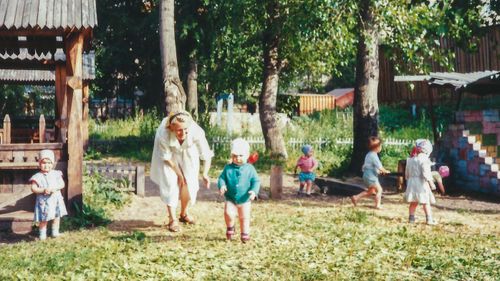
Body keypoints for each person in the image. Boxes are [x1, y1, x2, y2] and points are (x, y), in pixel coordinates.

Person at [150, 110, 213, 232]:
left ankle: (183, 213)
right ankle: (172, 219)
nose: (183, 133)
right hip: (169, 156)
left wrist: (205, 173)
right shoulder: (163, 133)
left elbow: (206, 154)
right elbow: (166, 157)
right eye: (179, 130)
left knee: (188, 182)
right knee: (170, 182)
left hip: (188, 152)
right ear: (172, 128)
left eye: (185, 130)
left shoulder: (196, 132)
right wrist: (179, 174)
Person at [218, 138, 260, 243]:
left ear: (246, 155)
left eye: (241, 156)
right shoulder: (228, 168)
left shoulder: (250, 168)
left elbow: (256, 181)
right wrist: (222, 185)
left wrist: (254, 191)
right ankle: (230, 227)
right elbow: (221, 178)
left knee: (244, 217)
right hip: (230, 197)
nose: (238, 158)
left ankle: (244, 233)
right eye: (235, 156)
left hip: (245, 198)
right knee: (228, 213)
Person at [30, 149, 67, 240]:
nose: (46, 165)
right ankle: (42, 234)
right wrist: (43, 190)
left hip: (56, 200)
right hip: (44, 202)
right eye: (44, 163)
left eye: (49, 163)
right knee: (44, 218)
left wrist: (56, 188)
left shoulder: (56, 174)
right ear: (39, 164)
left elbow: (62, 184)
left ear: (53, 163)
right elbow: (33, 188)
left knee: (56, 216)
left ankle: (55, 232)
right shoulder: (37, 176)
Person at [351, 137, 390, 209]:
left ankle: (356, 197)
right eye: (380, 146)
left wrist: (379, 171)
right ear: (377, 147)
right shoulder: (374, 155)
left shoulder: (368, 154)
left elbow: (370, 166)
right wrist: (384, 171)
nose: (381, 147)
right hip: (371, 176)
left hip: (366, 175)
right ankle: (378, 205)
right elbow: (379, 166)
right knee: (379, 190)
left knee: (371, 191)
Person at [404, 139, 437, 225]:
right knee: (425, 202)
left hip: (411, 182)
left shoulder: (410, 160)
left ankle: (411, 218)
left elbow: (407, 172)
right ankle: (429, 219)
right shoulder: (424, 160)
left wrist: (408, 178)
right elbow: (426, 173)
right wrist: (431, 183)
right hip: (421, 183)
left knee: (413, 201)